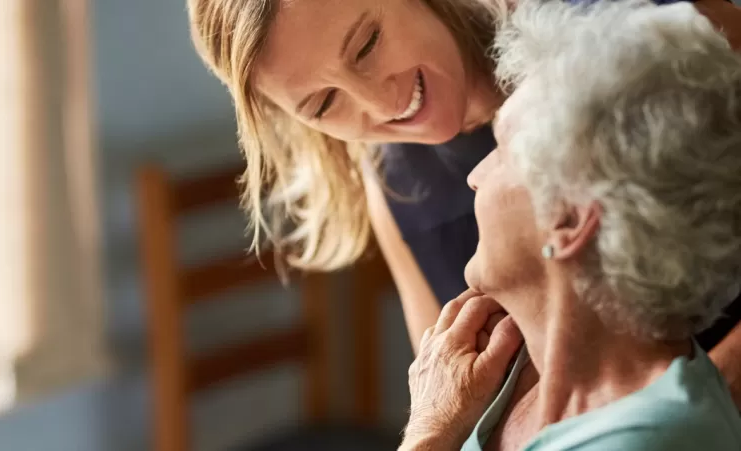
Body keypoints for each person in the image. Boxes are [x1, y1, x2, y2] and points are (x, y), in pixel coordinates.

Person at [186, 0, 741, 405]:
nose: (383, 101)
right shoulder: (394, 186)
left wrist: (694, 412)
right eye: (325, 102)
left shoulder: (632, 28)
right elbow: (461, 407)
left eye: (367, 44)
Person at [401, 1, 741, 449]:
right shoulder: (496, 377)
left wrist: (429, 432)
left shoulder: (654, 438)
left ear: (571, 219)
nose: (474, 175)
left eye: (502, 150)